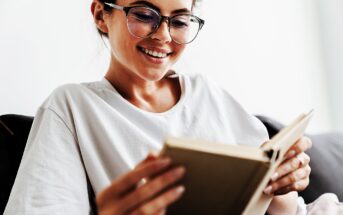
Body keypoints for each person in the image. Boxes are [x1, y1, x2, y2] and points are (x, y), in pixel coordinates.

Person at [4, 0, 312, 214]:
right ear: (100, 14)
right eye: (143, 14)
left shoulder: (210, 95)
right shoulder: (71, 107)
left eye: (179, 20)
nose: (163, 35)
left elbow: (285, 210)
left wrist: (282, 186)